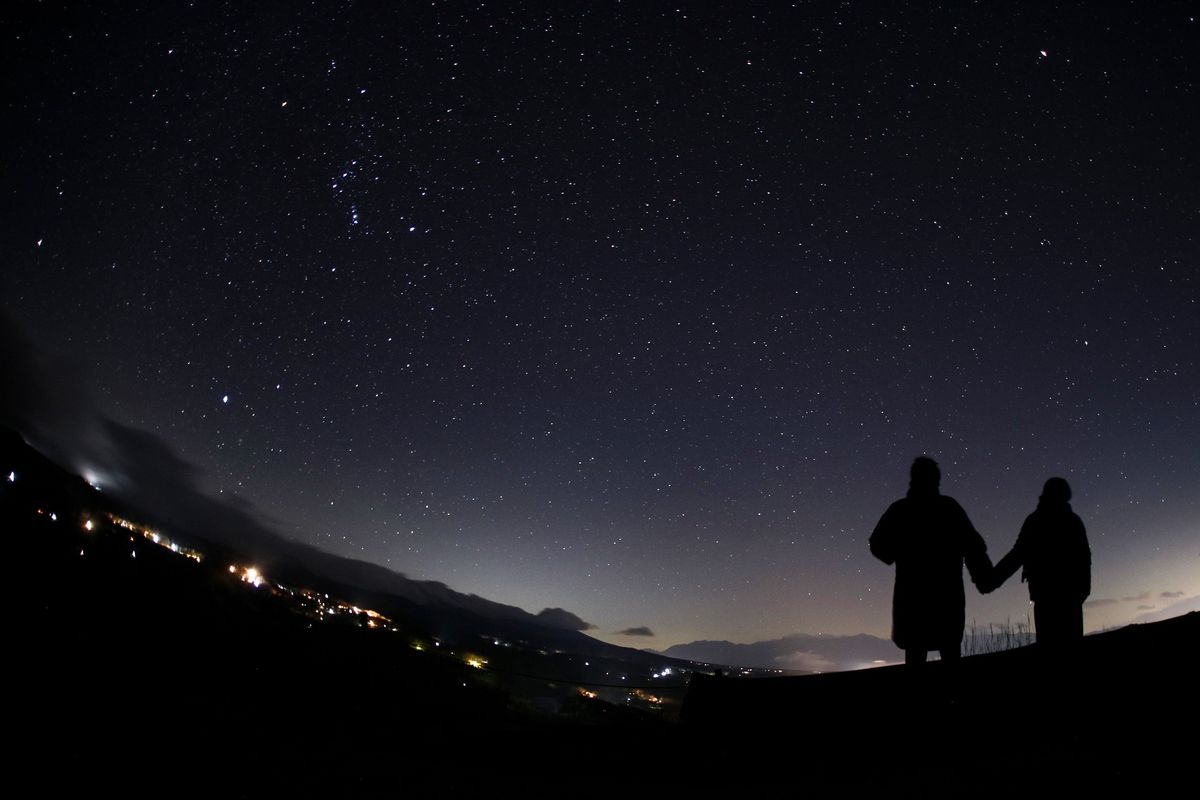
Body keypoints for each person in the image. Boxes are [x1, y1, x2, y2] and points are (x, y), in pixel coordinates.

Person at [870, 456, 993, 665]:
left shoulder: (900, 510)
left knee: (915, 657)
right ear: (936, 480)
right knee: (950, 657)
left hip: (912, 602)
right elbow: (974, 546)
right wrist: (984, 578)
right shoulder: (949, 508)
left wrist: (897, 552)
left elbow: (878, 545)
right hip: (947, 601)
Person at [990, 477, 1090, 645]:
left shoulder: (1035, 520)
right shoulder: (1073, 521)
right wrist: (1083, 590)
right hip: (1065, 596)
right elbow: (1084, 558)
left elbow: (1017, 554)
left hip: (1049, 595)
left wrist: (993, 579)